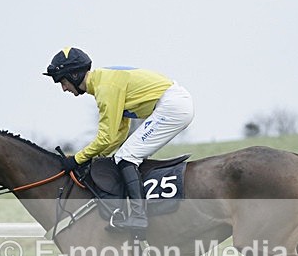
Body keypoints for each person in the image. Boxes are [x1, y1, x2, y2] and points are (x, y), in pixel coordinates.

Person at [43, 47, 194, 234]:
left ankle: (139, 216)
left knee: (126, 157)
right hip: (174, 103)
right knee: (123, 156)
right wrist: (98, 157)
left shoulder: (105, 88)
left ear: (74, 75)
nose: (64, 88)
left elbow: (106, 136)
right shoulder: (104, 82)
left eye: (63, 81)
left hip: (172, 106)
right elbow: (119, 133)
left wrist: (77, 159)